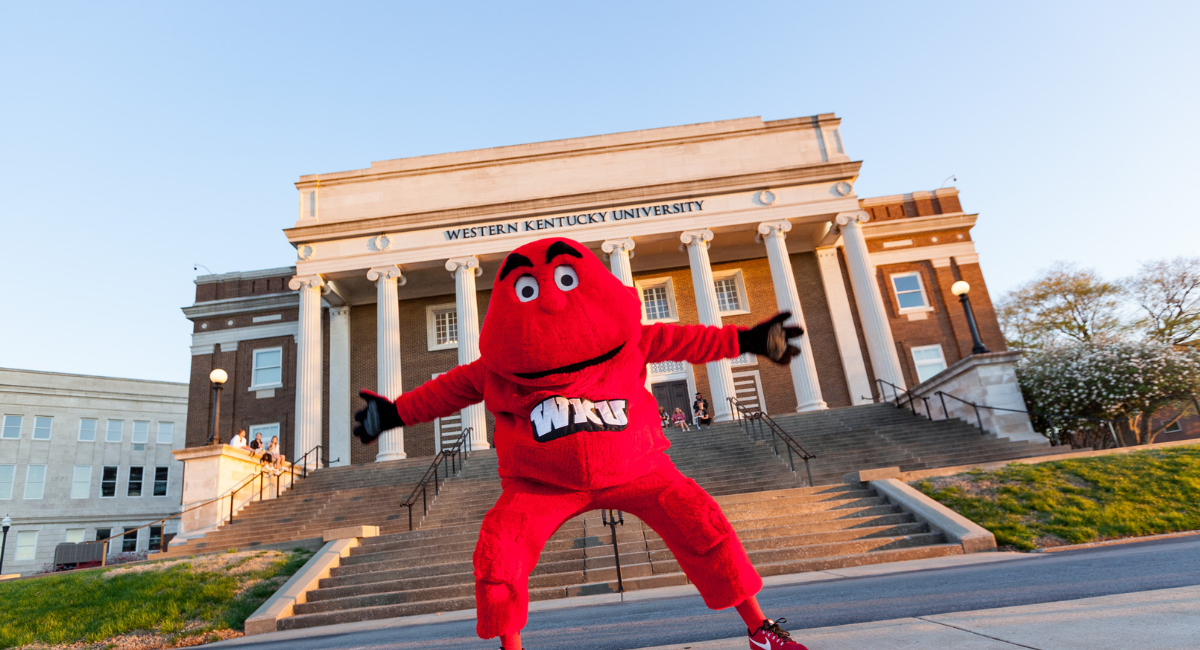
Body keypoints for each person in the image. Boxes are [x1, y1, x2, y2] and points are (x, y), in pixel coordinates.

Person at [352, 237, 809, 650]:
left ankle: (760, 628)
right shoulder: (496, 372)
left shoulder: (630, 342)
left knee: (703, 524)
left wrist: (747, 339)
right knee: (500, 549)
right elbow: (444, 391)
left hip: (640, 470)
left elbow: (685, 340)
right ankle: (510, 647)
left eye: (565, 280)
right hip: (541, 484)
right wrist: (392, 413)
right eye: (529, 290)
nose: (550, 301)